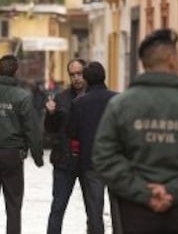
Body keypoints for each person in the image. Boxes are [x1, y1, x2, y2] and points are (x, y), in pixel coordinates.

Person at [93, 28, 178, 234]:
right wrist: (173, 191)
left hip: (133, 208)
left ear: (144, 64)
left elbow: (103, 156)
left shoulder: (120, 104)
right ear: (173, 60)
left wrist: (142, 191)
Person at [0, 55, 44, 234]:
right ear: (15, 71)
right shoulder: (23, 97)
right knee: (13, 205)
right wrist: (37, 156)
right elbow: (31, 129)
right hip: (12, 155)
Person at [67, 61, 117, 234]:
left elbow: (72, 132)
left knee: (94, 210)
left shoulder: (80, 103)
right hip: (115, 161)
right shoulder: (117, 99)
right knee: (117, 210)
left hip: (91, 161)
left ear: (86, 79)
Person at [44, 58, 88, 234]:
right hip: (64, 161)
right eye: (72, 75)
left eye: (79, 74)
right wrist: (51, 113)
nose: (76, 78)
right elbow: (49, 129)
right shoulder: (61, 97)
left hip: (88, 162)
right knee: (58, 207)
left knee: (93, 210)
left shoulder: (95, 96)